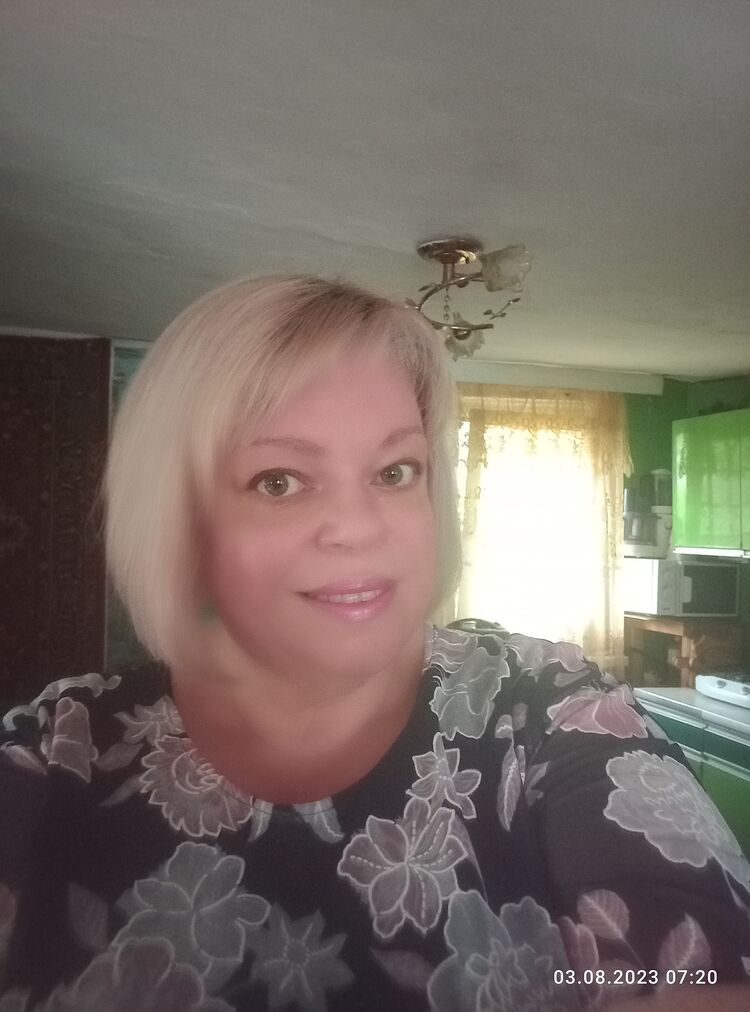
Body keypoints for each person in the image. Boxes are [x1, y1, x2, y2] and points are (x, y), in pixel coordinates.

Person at [1, 275, 748, 1012]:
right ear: (179, 519)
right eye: (278, 481)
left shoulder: (552, 712)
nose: (361, 528)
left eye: (394, 471)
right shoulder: (59, 751)